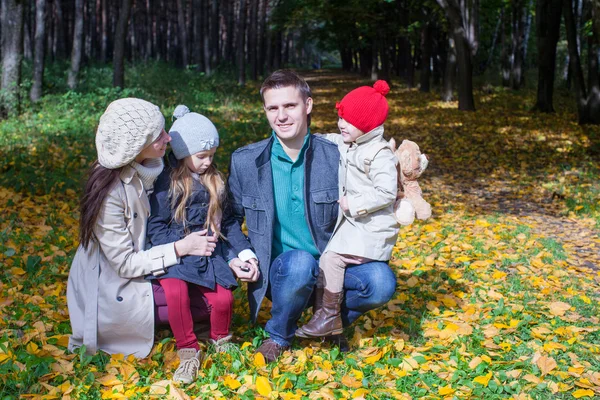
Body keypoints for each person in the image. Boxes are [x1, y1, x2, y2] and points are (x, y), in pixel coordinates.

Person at [227, 70, 397, 363]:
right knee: (299, 263)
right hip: (283, 274)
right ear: (265, 111)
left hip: (333, 270)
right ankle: (279, 335)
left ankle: (327, 319)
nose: (281, 116)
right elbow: (228, 219)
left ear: (308, 105)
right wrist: (241, 252)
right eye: (273, 108)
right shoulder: (246, 162)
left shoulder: (337, 155)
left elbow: (375, 161)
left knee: (381, 282)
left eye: (289, 106)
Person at [67, 98, 219, 359]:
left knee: (215, 295)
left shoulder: (156, 168)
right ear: (136, 145)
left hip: (151, 259)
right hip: (115, 281)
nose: (168, 137)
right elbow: (125, 263)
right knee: (202, 304)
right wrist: (182, 247)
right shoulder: (110, 192)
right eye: (158, 135)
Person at [146, 105, 259, 383]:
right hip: (176, 254)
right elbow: (156, 227)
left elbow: (229, 221)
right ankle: (188, 351)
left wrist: (243, 251)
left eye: (212, 155)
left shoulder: (216, 181)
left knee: (224, 299)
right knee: (176, 294)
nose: (208, 161)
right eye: (201, 156)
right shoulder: (167, 182)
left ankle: (221, 339)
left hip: (209, 254)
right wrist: (182, 245)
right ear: (184, 154)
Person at [296, 80, 399, 339]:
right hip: (356, 227)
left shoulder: (379, 153)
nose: (341, 124)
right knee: (329, 259)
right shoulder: (352, 142)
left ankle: (328, 316)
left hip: (370, 228)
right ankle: (326, 318)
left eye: (348, 121)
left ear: (366, 126)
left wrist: (354, 204)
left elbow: (387, 191)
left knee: (331, 259)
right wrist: (311, 138)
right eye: (340, 117)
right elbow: (332, 141)